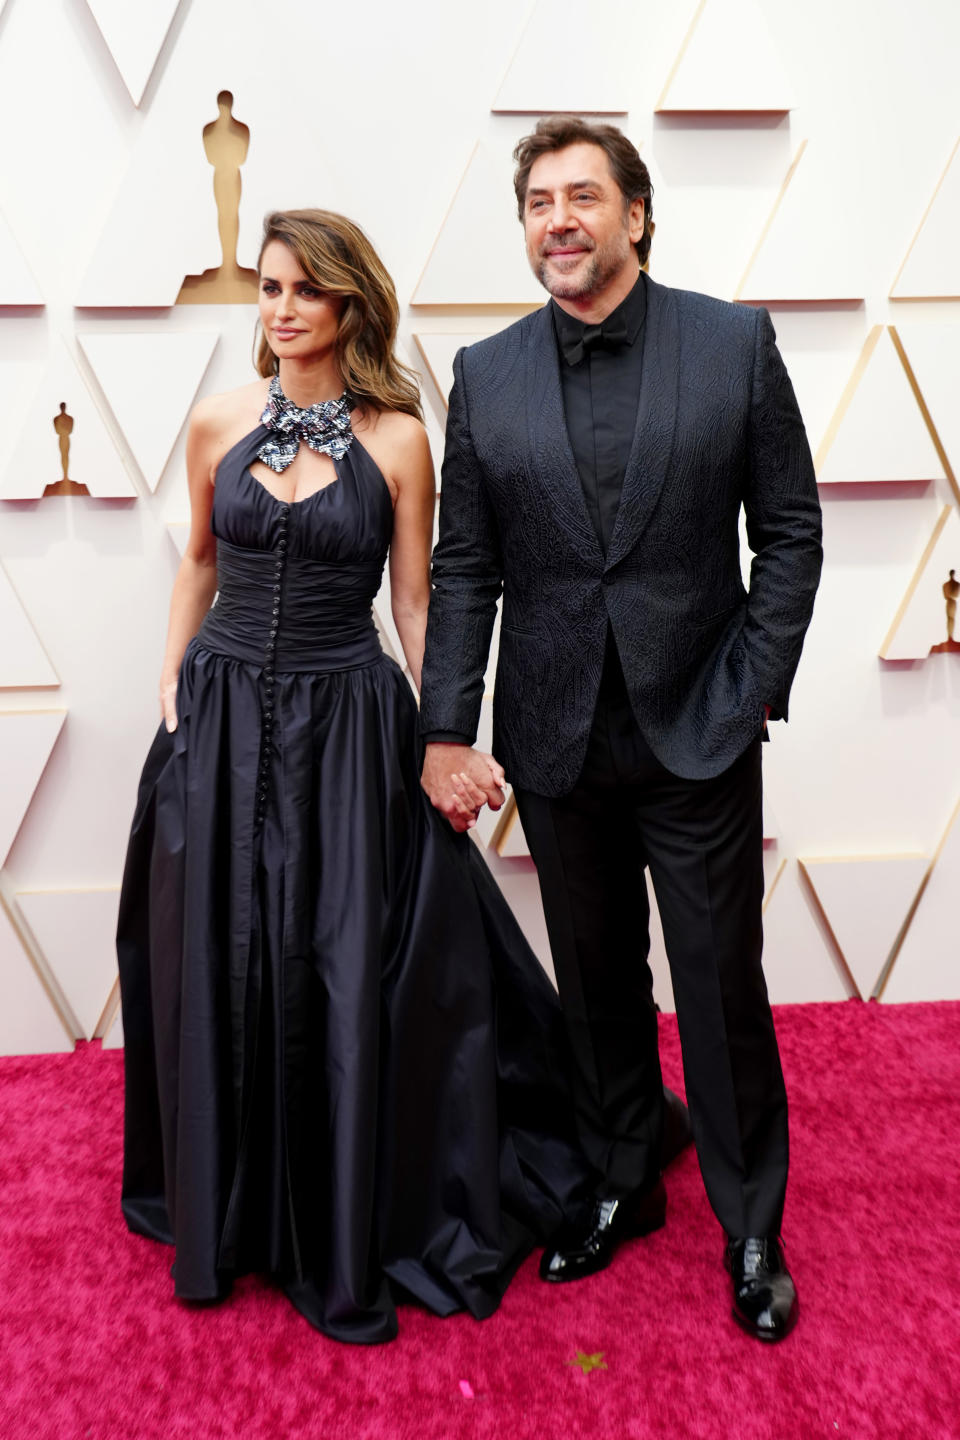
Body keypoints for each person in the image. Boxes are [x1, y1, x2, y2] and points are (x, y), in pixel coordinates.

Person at [117, 207, 688, 1345]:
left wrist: (446, 735)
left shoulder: (398, 439)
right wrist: (173, 686)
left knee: (341, 966)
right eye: (268, 289)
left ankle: (344, 1202)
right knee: (219, 958)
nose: (278, 309)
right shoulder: (219, 421)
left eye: (302, 291)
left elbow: (417, 601)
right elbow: (195, 559)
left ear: (348, 305)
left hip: (348, 723)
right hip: (223, 719)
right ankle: (233, 1203)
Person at [420, 117, 823, 1343]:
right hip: (554, 735)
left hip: (697, 729)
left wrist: (747, 686)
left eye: (582, 196)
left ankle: (752, 1222)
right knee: (595, 986)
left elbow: (791, 534)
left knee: (718, 986)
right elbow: (467, 565)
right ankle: (618, 1181)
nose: (559, 219)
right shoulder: (486, 374)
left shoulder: (734, 344)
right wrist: (446, 728)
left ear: (634, 215)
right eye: (539, 201)